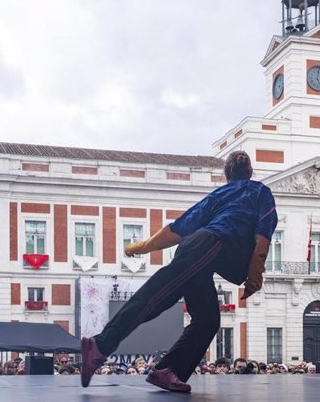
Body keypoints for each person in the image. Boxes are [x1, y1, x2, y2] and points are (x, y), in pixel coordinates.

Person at [81, 151, 278, 392]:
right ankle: (100, 346)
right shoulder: (260, 192)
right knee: (157, 296)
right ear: (250, 172)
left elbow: (177, 229)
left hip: (202, 249)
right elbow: (263, 236)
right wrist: (254, 277)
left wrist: (142, 247)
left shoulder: (219, 194)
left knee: (207, 320)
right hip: (210, 246)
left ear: (227, 174)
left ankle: (167, 370)